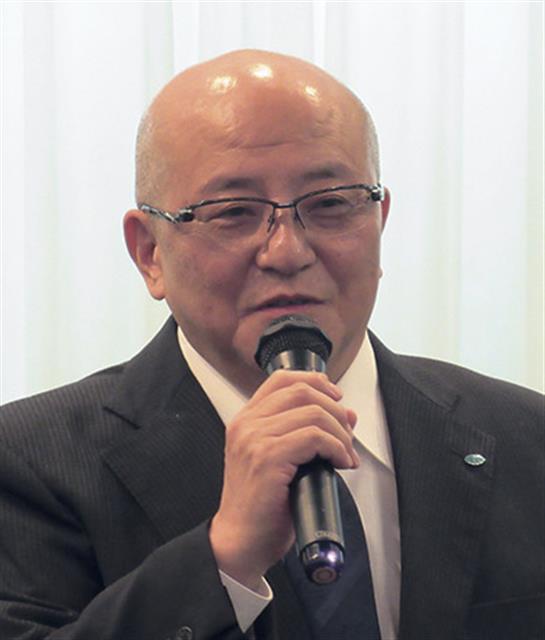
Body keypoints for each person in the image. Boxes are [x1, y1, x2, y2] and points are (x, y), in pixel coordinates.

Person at [0, 49, 543, 640]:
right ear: (149, 253)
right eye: (233, 212)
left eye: (330, 204)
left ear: (379, 221)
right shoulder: (30, 463)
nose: (287, 252)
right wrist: (223, 558)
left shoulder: (525, 438)